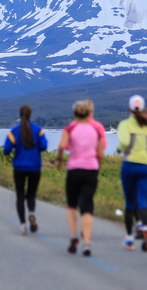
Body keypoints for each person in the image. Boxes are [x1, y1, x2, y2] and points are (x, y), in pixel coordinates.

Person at [56, 99, 106, 257]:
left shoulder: (70, 128)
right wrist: (94, 161)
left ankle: (73, 235)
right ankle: (87, 243)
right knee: (87, 206)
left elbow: (62, 146)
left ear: (74, 114)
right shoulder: (96, 129)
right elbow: (100, 154)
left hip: (74, 169)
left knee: (71, 204)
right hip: (91, 170)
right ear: (89, 113)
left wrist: (59, 160)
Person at [117, 95, 147, 252]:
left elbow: (125, 143)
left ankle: (129, 239)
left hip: (129, 165)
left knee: (129, 202)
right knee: (142, 200)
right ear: (143, 108)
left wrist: (120, 149)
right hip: (146, 166)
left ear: (129, 109)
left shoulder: (125, 125)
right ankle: (144, 226)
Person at [3, 105, 48, 235]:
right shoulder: (38, 131)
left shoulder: (14, 131)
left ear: (20, 114)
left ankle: (23, 225)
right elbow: (44, 146)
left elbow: (6, 150)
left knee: (20, 196)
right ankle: (32, 213)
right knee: (31, 194)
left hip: (19, 167)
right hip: (35, 167)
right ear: (30, 114)